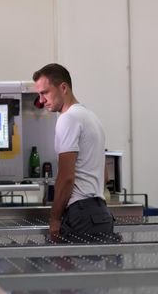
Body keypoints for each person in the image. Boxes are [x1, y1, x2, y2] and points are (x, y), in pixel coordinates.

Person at [32, 63, 115, 241]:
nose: (41, 100)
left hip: (80, 215)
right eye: (39, 94)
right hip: (101, 215)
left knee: (70, 268)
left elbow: (67, 176)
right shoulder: (91, 117)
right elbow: (105, 176)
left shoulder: (67, 119)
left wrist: (54, 218)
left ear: (63, 88)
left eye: (45, 92)